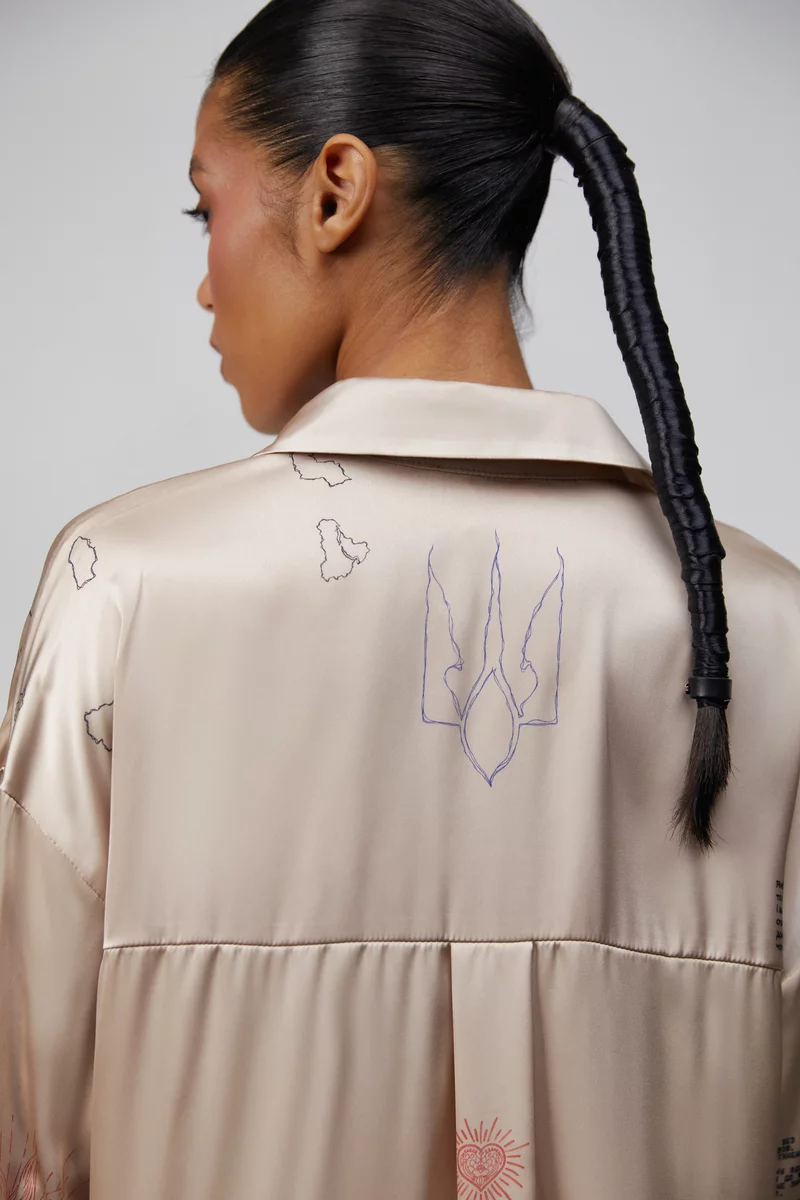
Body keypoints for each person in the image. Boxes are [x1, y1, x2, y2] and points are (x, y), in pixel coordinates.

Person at [0, 0, 797, 1196]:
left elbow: (33, 1149)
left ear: (335, 192)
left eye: (206, 210)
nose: (205, 285)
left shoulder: (122, 591)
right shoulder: (760, 628)